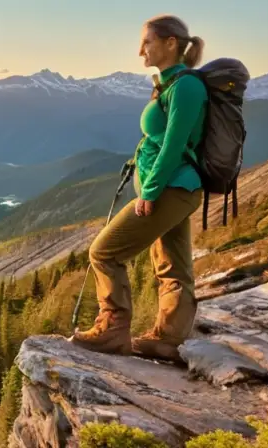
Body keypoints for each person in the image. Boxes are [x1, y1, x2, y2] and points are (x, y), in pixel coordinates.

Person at [69, 14, 207, 362]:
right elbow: (162, 139)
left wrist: (150, 192)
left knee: (104, 252)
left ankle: (113, 329)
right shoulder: (170, 83)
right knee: (171, 263)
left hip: (173, 186)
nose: (140, 49)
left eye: (147, 41)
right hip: (173, 187)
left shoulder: (187, 87)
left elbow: (175, 144)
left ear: (170, 43)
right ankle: (168, 340)